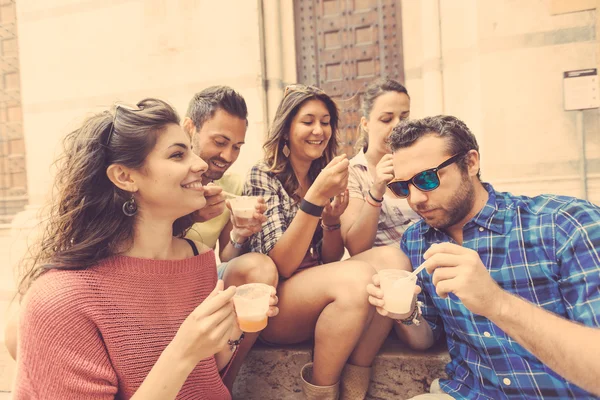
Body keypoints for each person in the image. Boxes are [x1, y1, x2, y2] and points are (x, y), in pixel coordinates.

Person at [12, 99, 277, 399]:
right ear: (124, 177)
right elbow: (184, 361)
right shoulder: (59, 300)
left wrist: (232, 328)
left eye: (190, 149)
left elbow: (203, 378)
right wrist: (182, 353)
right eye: (178, 154)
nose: (201, 164)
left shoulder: (198, 258)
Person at [367, 115, 600, 399]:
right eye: (402, 187)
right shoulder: (417, 240)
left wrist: (495, 302)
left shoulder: (564, 224)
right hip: (469, 393)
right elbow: (426, 338)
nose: (415, 199)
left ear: (471, 162)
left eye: (427, 179)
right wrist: (405, 314)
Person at [244, 84, 413, 400]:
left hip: (315, 290)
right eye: (308, 121)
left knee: (393, 264)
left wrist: (332, 222)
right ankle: (320, 393)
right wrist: (314, 199)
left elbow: (330, 259)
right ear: (286, 128)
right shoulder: (264, 174)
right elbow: (281, 264)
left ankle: (353, 385)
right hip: (277, 303)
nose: (318, 130)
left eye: (325, 122)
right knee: (359, 279)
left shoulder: (325, 171)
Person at [182, 86, 278, 389]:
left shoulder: (233, 183)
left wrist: (239, 233)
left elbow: (226, 257)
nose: (227, 156)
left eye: (236, 146)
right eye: (220, 142)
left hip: (205, 277)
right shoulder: (169, 174)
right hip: (165, 279)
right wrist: (188, 215)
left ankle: (226, 382)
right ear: (190, 128)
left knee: (260, 268)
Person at [340, 78, 419, 256]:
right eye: (386, 119)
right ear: (366, 124)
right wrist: (376, 191)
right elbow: (356, 247)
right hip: (393, 269)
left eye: (404, 117)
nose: (398, 125)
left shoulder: (421, 161)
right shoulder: (353, 172)